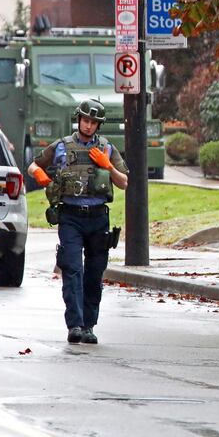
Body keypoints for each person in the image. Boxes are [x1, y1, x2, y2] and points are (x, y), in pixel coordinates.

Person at [27, 99, 128, 344]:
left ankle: (89, 325)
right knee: (72, 270)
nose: (89, 126)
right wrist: (41, 177)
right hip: (70, 216)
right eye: (86, 120)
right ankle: (75, 324)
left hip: (97, 219)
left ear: (98, 125)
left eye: (94, 122)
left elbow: (124, 181)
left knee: (94, 274)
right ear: (79, 119)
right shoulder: (61, 146)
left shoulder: (107, 148)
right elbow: (32, 165)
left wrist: (107, 166)